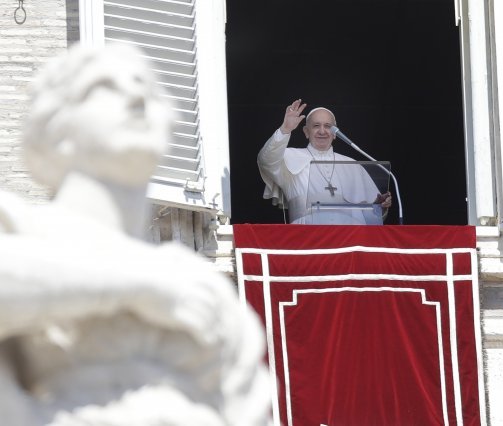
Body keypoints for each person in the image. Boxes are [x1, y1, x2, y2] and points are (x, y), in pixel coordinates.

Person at [0, 43, 270, 426]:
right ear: (55, 129)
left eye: (148, 88)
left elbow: (246, 406)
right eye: (104, 87)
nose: (136, 98)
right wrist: (139, 285)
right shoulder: (19, 231)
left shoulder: (197, 281)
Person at [258, 99, 392, 224]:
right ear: (306, 131)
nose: (322, 131)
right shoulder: (289, 156)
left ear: (335, 133)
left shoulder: (352, 165)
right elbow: (266, 160)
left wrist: (378, 207)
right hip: (306, 238)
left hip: (350, 239)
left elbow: (370, 219)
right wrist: (285, 129)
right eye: (316, 125)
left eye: (328, 126)